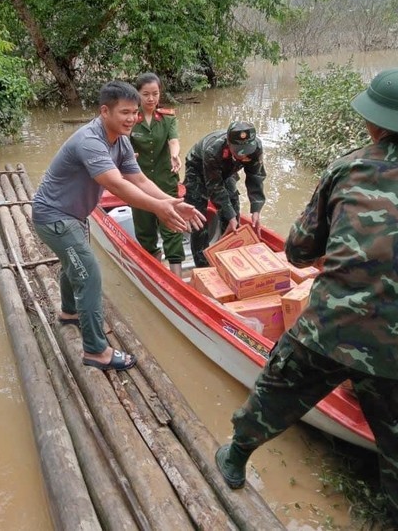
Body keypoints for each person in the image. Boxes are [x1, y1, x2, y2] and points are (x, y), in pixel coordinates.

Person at [215, 68, 398, 529]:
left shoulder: (344, 168)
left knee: (275, 395)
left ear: (374, 123)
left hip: (328, 329)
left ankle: (235, 456)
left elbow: (298, 250)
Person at [32, 81, 205, 371]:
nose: (132, 119)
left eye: (135, 112)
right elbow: (116, 185)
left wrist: (170, 202)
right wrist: (159, 209)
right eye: (125, 112)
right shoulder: (91, 141)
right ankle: (96, 352)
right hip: (54, 217)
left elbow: (138, 180)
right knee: (88, 275)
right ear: (104, 111)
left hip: (73, 216)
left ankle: (70, 312)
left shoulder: (121, 140)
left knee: (74, 263)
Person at [183, 121, 266, 267]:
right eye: (239, 151)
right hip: (198, 168)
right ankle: (202, 266)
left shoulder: (255, 148)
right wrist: (229, 213)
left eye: (247, 151)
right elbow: (215, 186)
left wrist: (256, 209)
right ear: (228, 143)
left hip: (227, 171)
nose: (244, 155)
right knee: (198, 218)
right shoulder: (213, 150)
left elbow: (256, 177)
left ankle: (228, 262)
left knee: (233, 216)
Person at [130, 73, 185, 277]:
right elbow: (122, 142)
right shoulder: (131, 119)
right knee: (145, 230)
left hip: (165, 181)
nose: (151, 99)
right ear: (138, 94)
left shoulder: (168, 117)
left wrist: (175, 155)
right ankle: (154, 270)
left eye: (155, 93)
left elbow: (173, 140)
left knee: (172, 226)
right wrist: (127, 155)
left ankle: (176, 277)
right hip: (138, 183)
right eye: (146, 94)